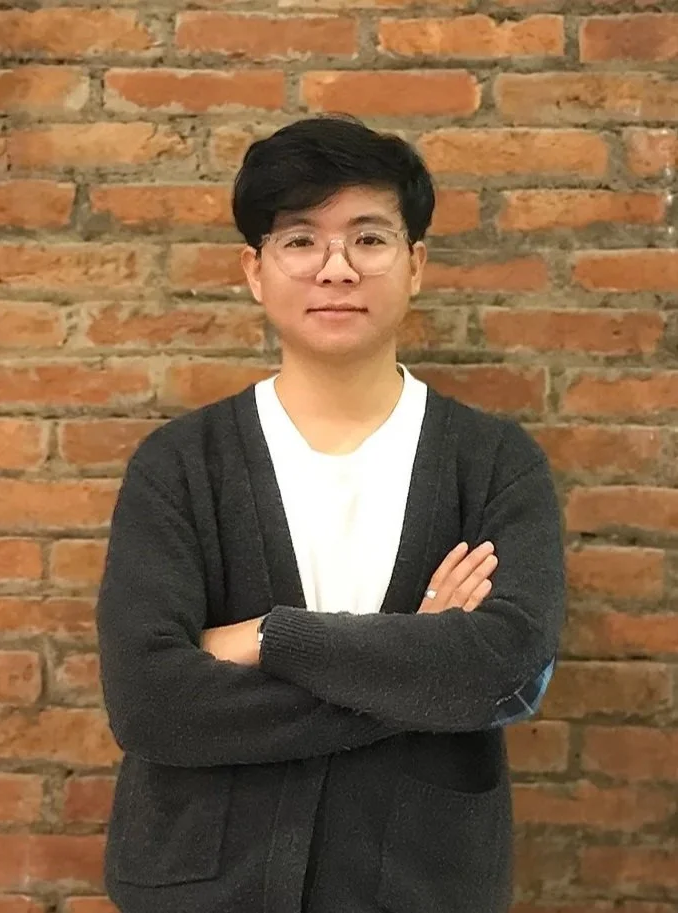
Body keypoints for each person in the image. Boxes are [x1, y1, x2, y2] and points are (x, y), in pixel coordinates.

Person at [96, 113, 565, 913]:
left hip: (418, 883)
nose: (336, 269)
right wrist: (418, 662)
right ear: (254, 269)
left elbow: (502, 670)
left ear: (415, 263)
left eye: (369, 239)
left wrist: (267, 637)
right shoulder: (178, 465)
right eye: (301, 240)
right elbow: (150, 701)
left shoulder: (493, 462)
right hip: (202, 885)